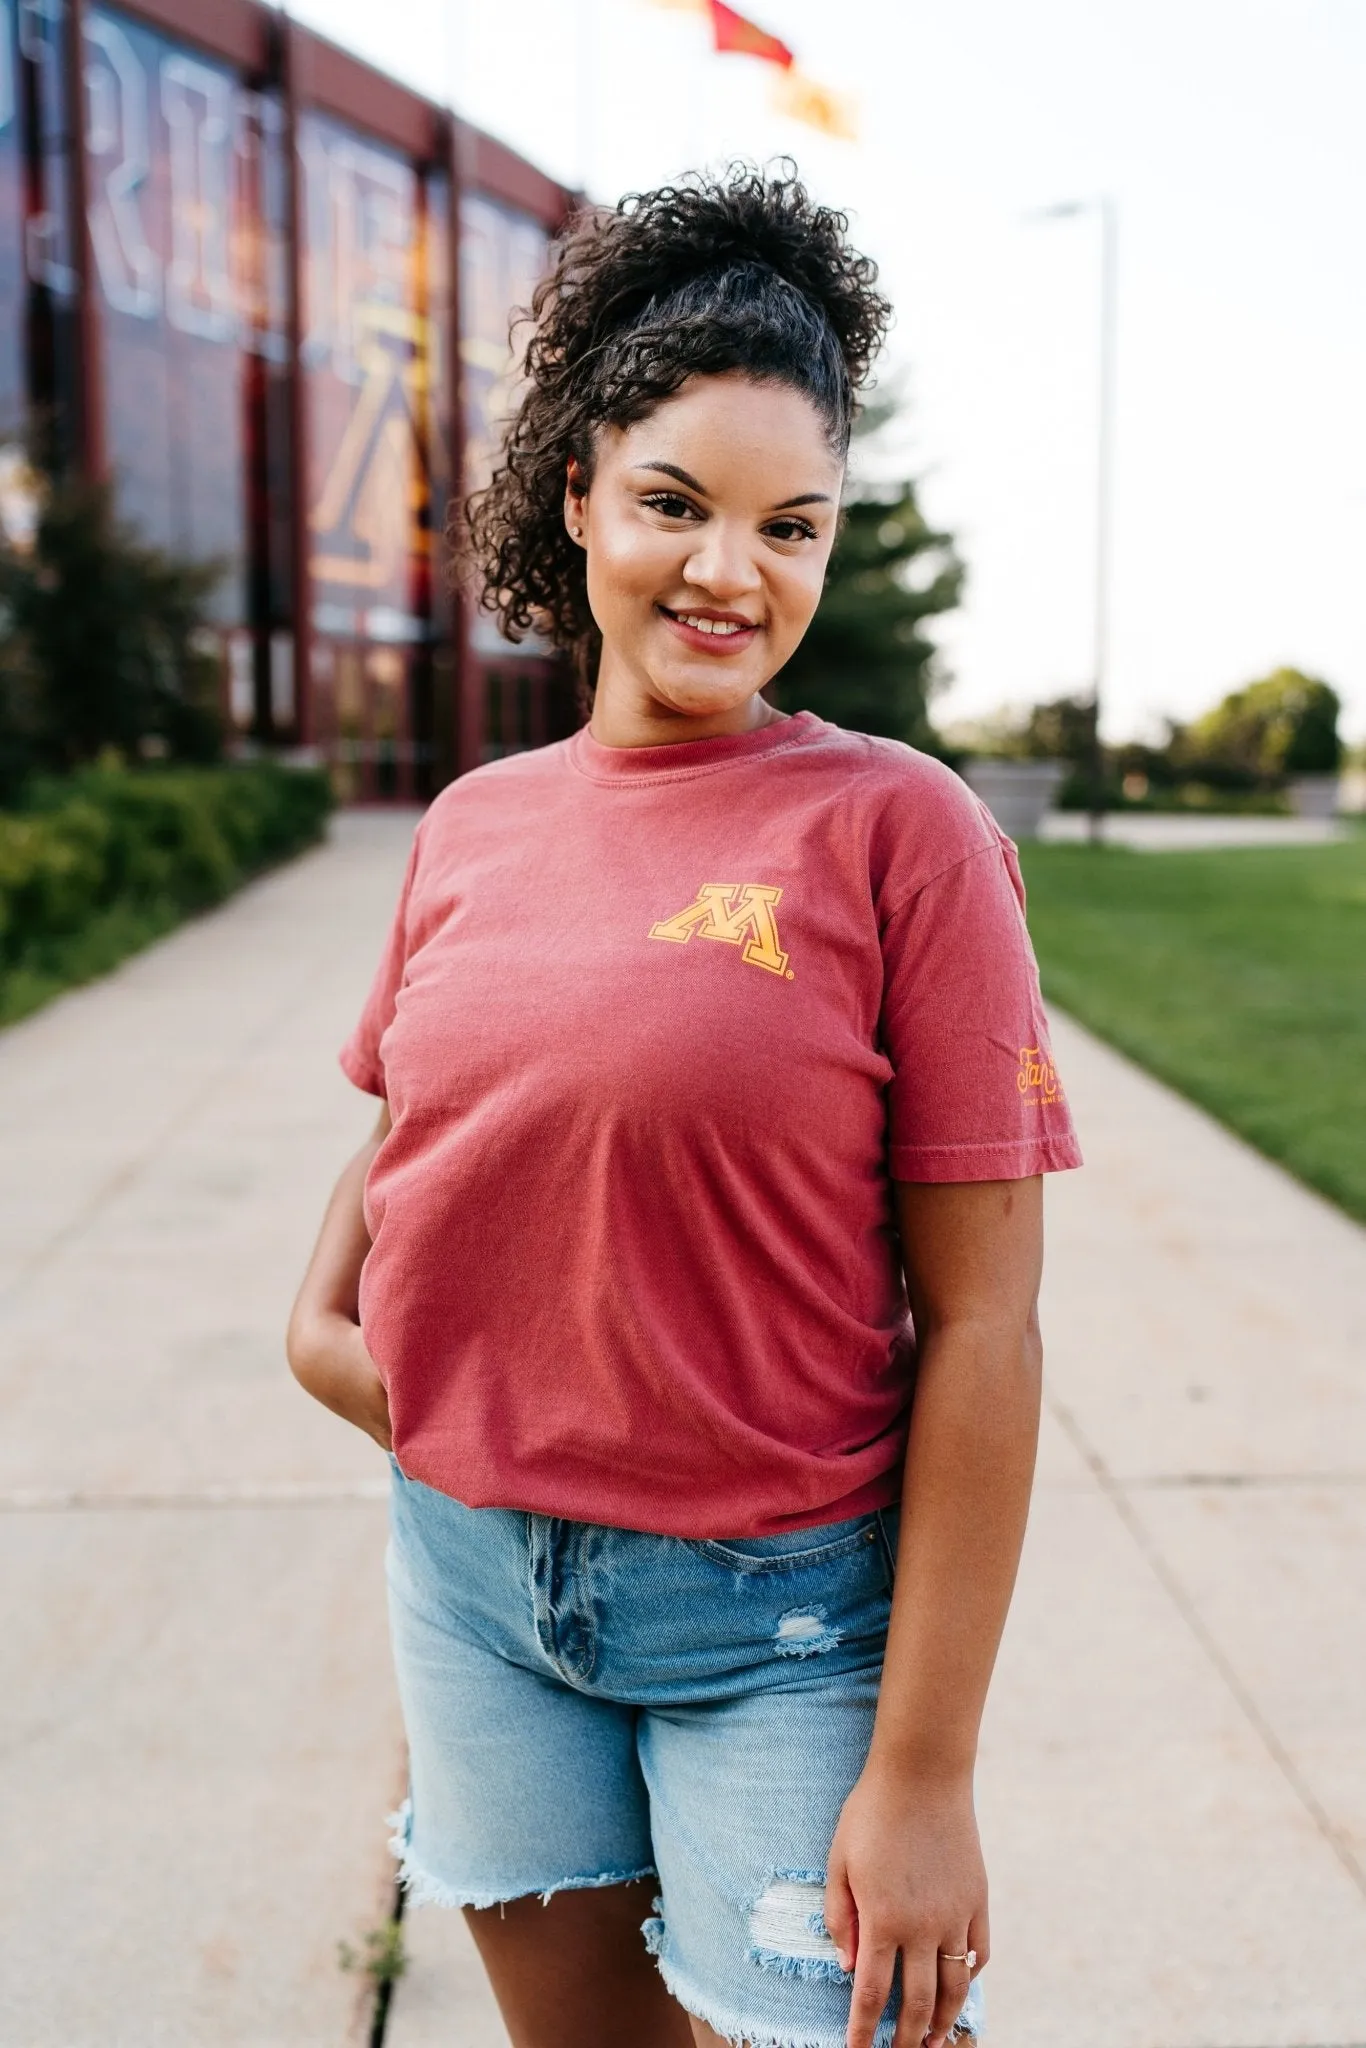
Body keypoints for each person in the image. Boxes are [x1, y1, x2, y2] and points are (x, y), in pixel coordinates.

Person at [287, 164, 1081, 2048]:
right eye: (674, 504)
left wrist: (928, 1773)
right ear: (575, 498)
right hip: (476, 1591)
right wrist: (327, 1337)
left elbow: (985, 1324)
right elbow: (411, 1123)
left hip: (778, 1620)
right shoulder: (472, 824)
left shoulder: (902, 834)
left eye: (790, 526)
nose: (732, 572)